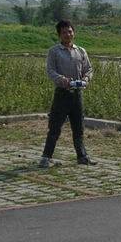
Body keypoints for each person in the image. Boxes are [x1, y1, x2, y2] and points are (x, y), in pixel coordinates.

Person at [39, 20, 96, 168]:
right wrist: (62, 80)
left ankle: (82, 156)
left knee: (78, 127)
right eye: (64, 32)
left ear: (74, 33)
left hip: (77, 94)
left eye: (70, 31)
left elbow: (89, 69)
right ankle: (46, 157)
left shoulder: (81, 51)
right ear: (59, 35)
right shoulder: (54, 51)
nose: (68, 34)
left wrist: (85, 79)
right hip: (62, 94)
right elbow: (50, 70)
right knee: (55, 127)